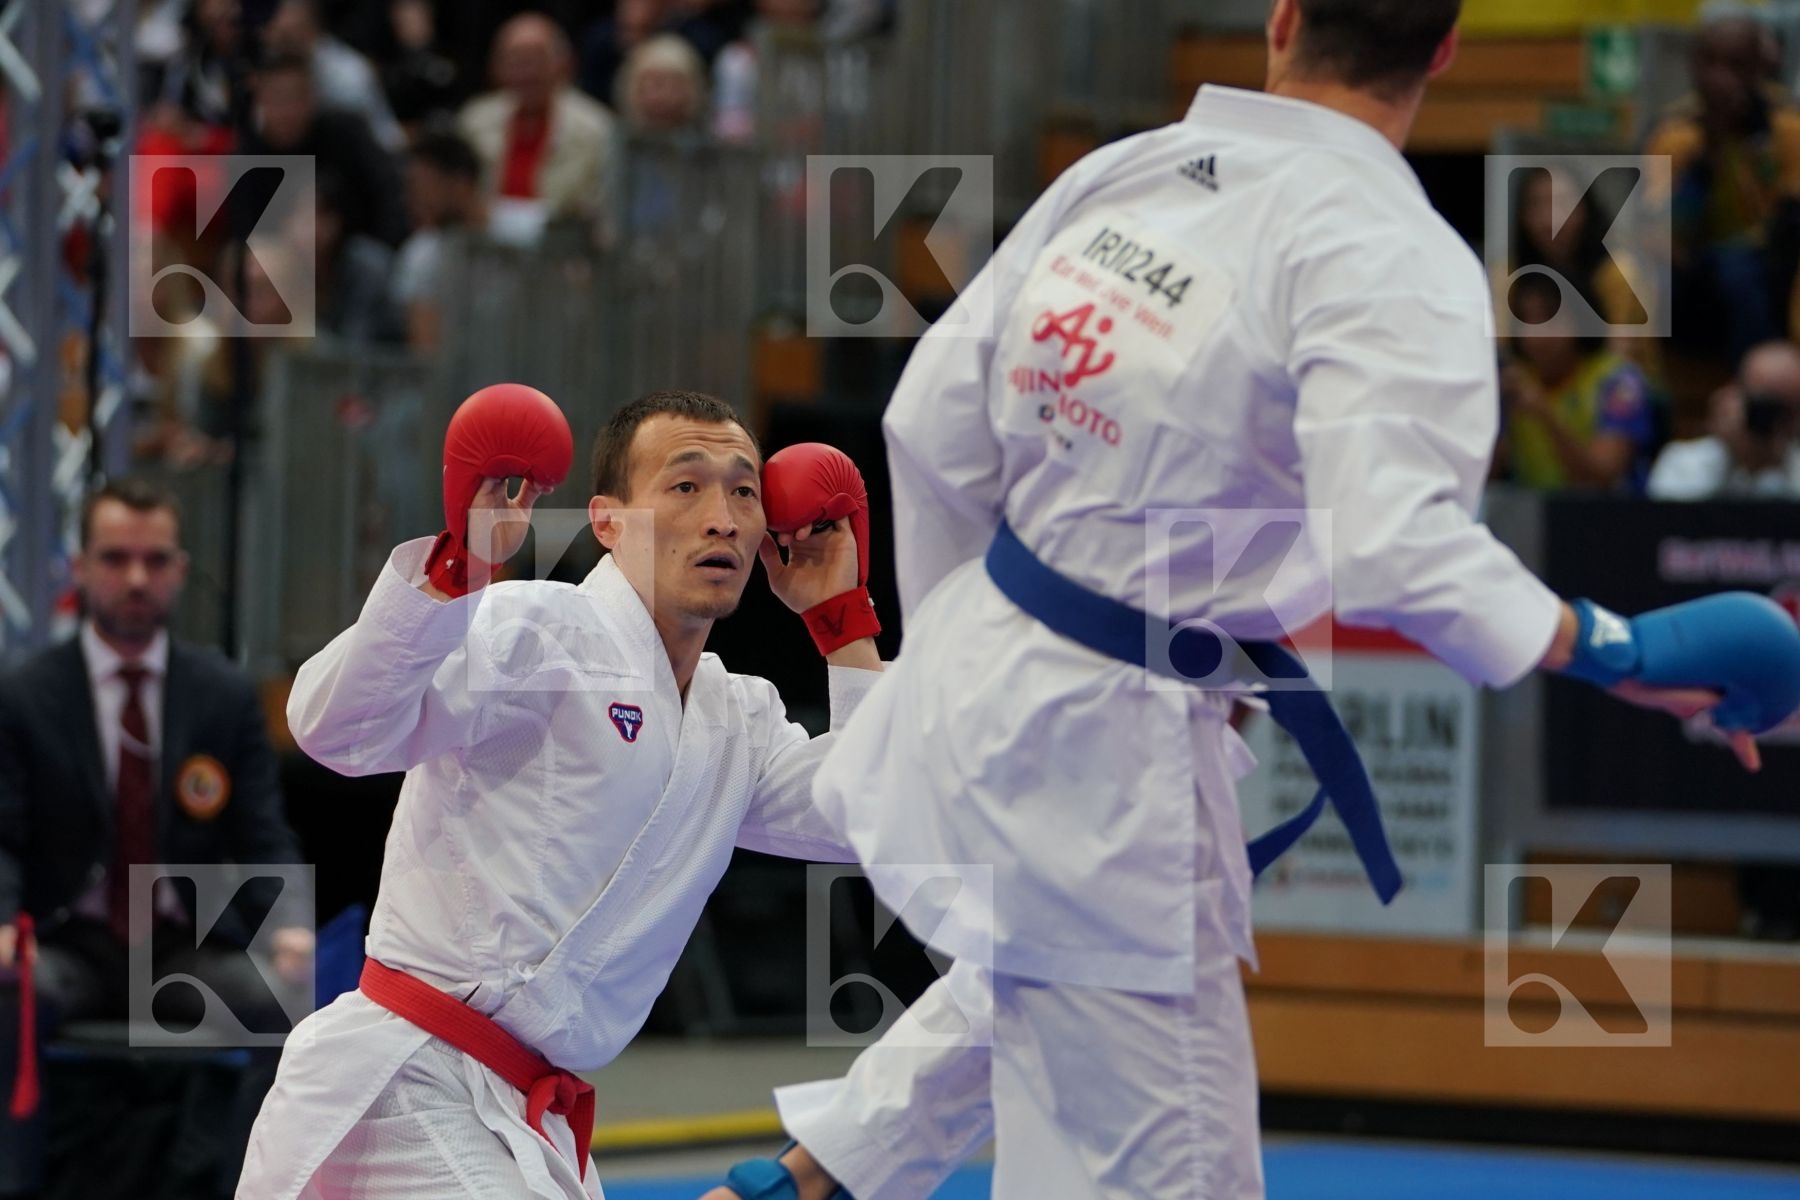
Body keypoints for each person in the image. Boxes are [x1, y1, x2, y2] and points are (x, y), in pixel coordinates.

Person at [718, 2, 1783, 1198]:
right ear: (1441, 51)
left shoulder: (1122, 172)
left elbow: (928, 425)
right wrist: (1617, 644)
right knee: (1168, 1166)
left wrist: (994, 654)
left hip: (986, 675)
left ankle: (807, 1180)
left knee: (1042, 1051)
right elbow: (1395, 543)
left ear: (1279, 19)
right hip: (1102, 752)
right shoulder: (1393, 252)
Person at [237, 389, 885, 1198]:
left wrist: (841, 618)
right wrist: (458, 569)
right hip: (411, 1084)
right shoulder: (537, 629)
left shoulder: (736, 717)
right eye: (685, 486)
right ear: (608, 522)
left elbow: (878, 815)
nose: (721, 516)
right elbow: (336, 729)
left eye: (744, 492)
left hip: (526, 1117)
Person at [0, 479, 312, 1186]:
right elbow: (3, 836)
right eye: (115, 558)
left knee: (292, 1007)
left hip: (178, 951)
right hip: (64, 943)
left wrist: (288, 926)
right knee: (8, 989)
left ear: (178, 568)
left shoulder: (225, 696)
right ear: (79, 568)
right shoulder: (24, 695)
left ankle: (252, 1186)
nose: (136, 578)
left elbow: (264, 835)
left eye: (154, 559)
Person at [1647, 13, 1800, 368]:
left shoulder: (1786, 128)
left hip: (1773, 265)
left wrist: (1755, 141)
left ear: (1759, 69)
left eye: (1734, 64)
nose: (1719, 78)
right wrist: (1707, 158)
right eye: (1709, 62)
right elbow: (1663, 239)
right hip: (1695, 274)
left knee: (1741, 269)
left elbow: (1792, 221)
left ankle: (1764, 379)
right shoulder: (1674, 134)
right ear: (1694, 66)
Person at [458, 13, 620, 247]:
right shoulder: (474, 121)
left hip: (562, 253)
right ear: (496, 68)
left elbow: (602, 210)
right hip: (484, 247)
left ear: (563, 64)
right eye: (515, 61)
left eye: (536, 59)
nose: (526, 72)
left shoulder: (598, 128)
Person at [1497, 271, 1660, 493]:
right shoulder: (1512, 382)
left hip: (1611, 519)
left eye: (1550, 319)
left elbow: (1602, 478)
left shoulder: (1620, 381)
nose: (1537, 333)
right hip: (1529, 519)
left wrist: (1545, 416)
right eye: (1526, 320)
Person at [243, 54, 407, 248]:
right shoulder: (248, 156)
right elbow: (245, 234)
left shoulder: (347, 134)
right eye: (276, 99)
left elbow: (390, 197)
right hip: (282, 261)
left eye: (295, 98)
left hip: (353, 250)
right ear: (259, 102)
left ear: (313, 97)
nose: (286, 111)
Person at [1649, 339, 1800, 498]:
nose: (1774, 421)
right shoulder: (1682, 461)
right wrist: (1733, 453)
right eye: (1762, 407)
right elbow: (1674, 515)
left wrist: (1771, 467)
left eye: (1788, 412)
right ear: (1733, 394)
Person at [263, 0, 407, 152]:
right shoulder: (263, 70)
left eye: (289, 35)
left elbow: (383, 139)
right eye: (276, 33)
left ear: (312, 28)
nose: (283, 44)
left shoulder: (348, 74)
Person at [393, 128, 491, 352]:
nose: (412, 199)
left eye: (421, 185)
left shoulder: (528, 234)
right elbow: (426, 352)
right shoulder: (420, 255)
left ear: (460, 182)